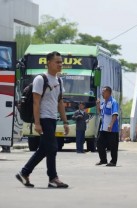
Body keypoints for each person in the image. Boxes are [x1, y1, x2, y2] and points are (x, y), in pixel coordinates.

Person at [15, 51, 69, 188]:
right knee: (52, 148)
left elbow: (60, 102)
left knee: (44, 149)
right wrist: (37, 123)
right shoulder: (40, 79)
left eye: (61, 62)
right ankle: (53, 178)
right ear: (49, 63)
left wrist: (65, 121)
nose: (60, 64)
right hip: (43, 118)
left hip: (52, 118)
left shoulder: (59, 80)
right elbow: (36, 103)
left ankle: (24, 172)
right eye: (57, 62)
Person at [95, 86, 120, 167]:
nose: (102, 93)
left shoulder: (113, 102)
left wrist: (111, 124)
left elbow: (115, 114)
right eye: (102, 92)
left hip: (112, 129)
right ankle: (103, 160)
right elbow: (100, 112)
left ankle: (113, 161)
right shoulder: (103, 103)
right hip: (103, 129)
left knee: (113, 146)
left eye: (104, 92)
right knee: (99, 143)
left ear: (109, 93)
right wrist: (98, 105)